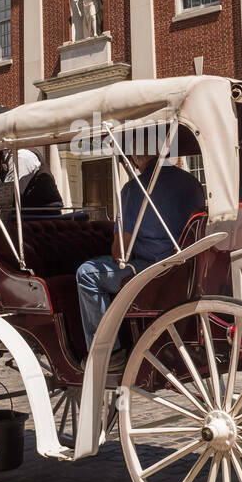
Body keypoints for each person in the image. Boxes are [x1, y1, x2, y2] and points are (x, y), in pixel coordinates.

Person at [76, 149, 205, 366]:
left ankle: (108, 353)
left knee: (87, 273)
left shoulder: (134, 189)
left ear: (136, 157)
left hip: (156, 270)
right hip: (190, 268)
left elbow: (120, 253)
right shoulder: (192, 183)